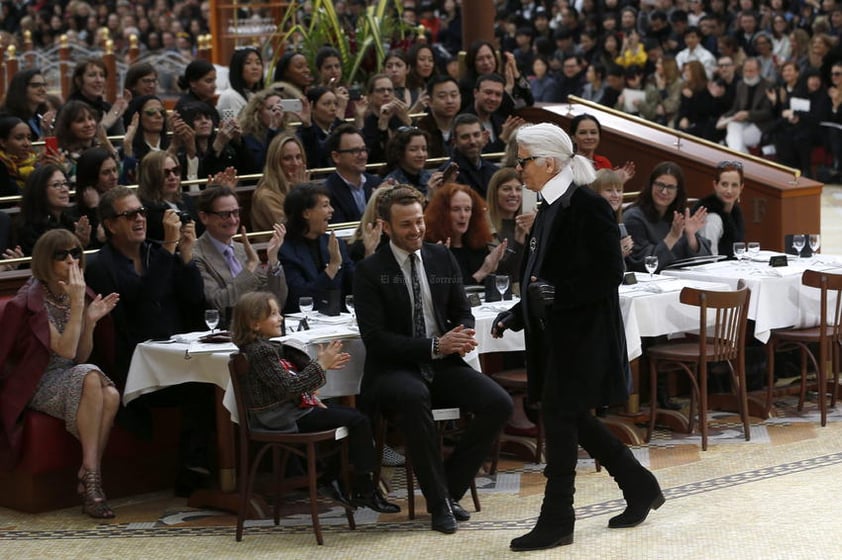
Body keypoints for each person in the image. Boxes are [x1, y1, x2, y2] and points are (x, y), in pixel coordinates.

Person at [491, 123, 663, 552]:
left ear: (549, 163)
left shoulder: (586, 205)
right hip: (557, 338)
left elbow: (607, 274)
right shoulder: (550, 205)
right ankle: (639, 485)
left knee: (562, 425)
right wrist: (518, 312)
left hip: (582, 339)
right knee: (571, 420)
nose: (519, 168)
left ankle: (557, 520)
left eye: (525, 160)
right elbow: (542, 277)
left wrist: (558, 297)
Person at [353, 185, 513, 534]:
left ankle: (448, 491)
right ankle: (440, 503)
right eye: (406, 225)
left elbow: (462, 310)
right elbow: (376, 340)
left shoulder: (441, 258)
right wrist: (433, 346)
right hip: (393, 371)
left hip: (442, 366)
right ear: (386, 227)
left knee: (498, 403)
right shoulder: (369, 271)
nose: (416, 231)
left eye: (419, 222)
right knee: (413, 396)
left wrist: (462, 335)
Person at [84, 186, 211, 495]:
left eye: (141, 212)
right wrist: (169, 248)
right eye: (129, 215)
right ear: (111, 225)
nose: (139, 219)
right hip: (133, 367)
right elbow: (144, 309)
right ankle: (193, 474)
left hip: (175, 356)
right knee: (199, 388)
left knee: (216, 380)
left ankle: (209, 470)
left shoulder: (156, 251)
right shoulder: (102, 266)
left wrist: (186, 254)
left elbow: (195, 299)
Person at [230, 291, 400, 513]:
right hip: (281, 418)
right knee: (358, 420)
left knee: (350, 420)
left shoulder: (262, 348)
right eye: (273, 314)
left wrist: (319, 372)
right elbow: (290, 387)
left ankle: (333, 479)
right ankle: (362, 488)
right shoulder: (261, 352)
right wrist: (321, 365)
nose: (280, 318)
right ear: (254, 324)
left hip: (286, 413)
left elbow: (289, 384)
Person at [0, 229, 121, 517]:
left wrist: (89, 322)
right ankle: (92, 481)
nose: (71, 260)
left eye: (76, 253)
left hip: (71, 375)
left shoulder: (74, 292)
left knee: (112, 394)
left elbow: (80, 356)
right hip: (37, 381)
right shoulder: (32, 300)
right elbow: (66, 352)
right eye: (61, 255)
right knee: (91, 377)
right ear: (45, 261)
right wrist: (79, 304)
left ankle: (89, 473)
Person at [193, 185, 287, 328]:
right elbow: (220, 305)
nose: (233, 220)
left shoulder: (242, 250)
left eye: (236, 213)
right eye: (224, 215)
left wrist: (273, 261)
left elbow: (277, 300)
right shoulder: (196, 255)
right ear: (204, 217)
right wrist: (249, 268)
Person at [278, 182, 354, 314]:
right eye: (325, 205)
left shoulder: (335, 243)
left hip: (340, 319)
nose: (332, 210)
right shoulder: (285, 250)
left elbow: (355, 284)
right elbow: (302, 298)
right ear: (306, 213)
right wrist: (332, 267)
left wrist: (369, 254)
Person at [624, 161, 711, 272]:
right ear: (651, 185)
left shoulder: (679, 216)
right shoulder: (633, 218)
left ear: (677, 191)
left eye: (670, 187)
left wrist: (691, 236)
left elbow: (706, 262)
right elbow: (642, 265)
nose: (664, 192)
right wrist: (672, 238)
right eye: (660, 185)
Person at [424, 182, 508, 285]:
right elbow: (450, 292)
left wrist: (493, 268)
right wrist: (483, 271)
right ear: (442, 213)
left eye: (467, 209)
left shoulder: (478, 244)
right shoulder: (432, 247)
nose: (463, 215)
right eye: (456, 209)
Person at [16, 164, 91, 256]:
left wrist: (83, 243)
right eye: (56, 185)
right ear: (40, 191)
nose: (64, 189)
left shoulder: (71, 222)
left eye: (65, 183)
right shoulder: (28, 229)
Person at [137, 151, 201, 246]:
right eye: (165, 173)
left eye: (175, 171)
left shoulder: (186, 200)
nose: (172, 177)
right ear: (150, 177)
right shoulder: (146, 211)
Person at [323, 123, 383, 223]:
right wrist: (373, 206)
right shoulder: (327, 192)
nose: (362, 156)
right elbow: (342, 231)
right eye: (355, 151)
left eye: (363, 150)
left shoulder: (377, 183)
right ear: (336, 156)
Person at [250, 134, 303, 231]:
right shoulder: (266, 196)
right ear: (275, 162)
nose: (295, 163)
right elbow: (293, 230)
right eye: (287, 158)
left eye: (298, 157)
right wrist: (301, 193)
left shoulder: (300, 185)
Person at [70, 147, 120, 248]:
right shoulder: (74, 216)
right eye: (106, 173)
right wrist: (95, 208)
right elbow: (99, 241)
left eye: (115, 170)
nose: (114, 177)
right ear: (91, 177)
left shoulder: (122, 204)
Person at [694, 161, 745, 258]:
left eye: (734, 185)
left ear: (741, 187)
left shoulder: (734, 213)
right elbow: (709, 260)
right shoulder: (712, 218)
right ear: (715, 185)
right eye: (724, 184)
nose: (729, 191)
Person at [66, 57, 128, 136]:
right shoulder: (69, 109)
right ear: (78, 80)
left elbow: (120, 141)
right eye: (92, 75)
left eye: (102, 76)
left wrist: (117, 116)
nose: (99, 80)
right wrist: (108, 120)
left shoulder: (107, 107)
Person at [442, 113, 500, 198]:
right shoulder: (447, 174)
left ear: (484, 137)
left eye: (476, 135)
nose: (472, 141)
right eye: (465, 137)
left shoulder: (495, 172)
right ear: (454, 142)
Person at [569, 114, 635, 183]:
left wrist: (616, 182)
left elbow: (606, 192)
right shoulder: (569, 164)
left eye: (593, 132)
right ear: (573, 138)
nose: (589, 137)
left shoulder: (604, 163)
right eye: (583, 133)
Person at [383, 126, 445, 198]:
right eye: (413, 149)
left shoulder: (430, 177)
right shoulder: (391, 183)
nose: (421, 154)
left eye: (424, 149)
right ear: (400, 152)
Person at [590, 168, 634, 259]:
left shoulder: (616, 222)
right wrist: (616, 253)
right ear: (596, 193)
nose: (616, 195)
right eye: (609, 190)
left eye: (619, 190)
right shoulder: (589, 224)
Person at [0, 68, 53, 139]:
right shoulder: (7, 119)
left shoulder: (40, 117)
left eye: (44, 85)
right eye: (35, 85)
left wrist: (47, 132)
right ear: (21, 88)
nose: (43, 90)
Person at [216, 46, 265, 119]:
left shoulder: (254, 95)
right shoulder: (230, 96)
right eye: (248, 63)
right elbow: (234, 127)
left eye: (258, 63)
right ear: (237, 68)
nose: (255, 67)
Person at [0, 114, 36, 196]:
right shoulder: (2, 168)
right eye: (19, 138)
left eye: (29, 138)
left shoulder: (37, 165)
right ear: (3, 142)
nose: (26, 143)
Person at [174, 59, 219, 123]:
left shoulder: (207, 103)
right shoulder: (188, 108)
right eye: (208, 81)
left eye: (214, 81)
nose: (214, 86)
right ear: (193, 83)